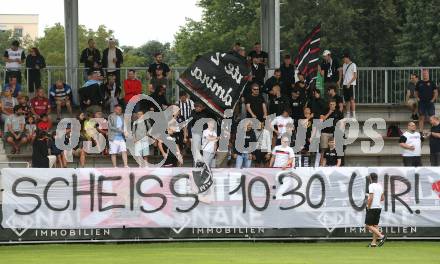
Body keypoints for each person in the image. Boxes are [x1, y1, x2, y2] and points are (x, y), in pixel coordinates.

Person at [365, 173, 387, 247]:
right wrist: (377, 200)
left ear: (371, 178)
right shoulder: (380, 186)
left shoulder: (371, 185)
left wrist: (368, 206)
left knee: (368, 225)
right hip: (378, 207)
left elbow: (370, 198)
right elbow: (383, 198)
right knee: (375, 225)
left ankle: (382, 236)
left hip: (372, 207)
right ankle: (373, 243)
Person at [342, 53, 357, 118]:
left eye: (344, 58)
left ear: (348, 58)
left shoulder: (353, 65)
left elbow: (355, 76)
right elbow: (344, 75)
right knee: (347, 100)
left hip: (351, 84)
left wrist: (349, 83)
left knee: (352, 99)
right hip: (345, 84)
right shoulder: (344, 65)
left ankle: (353, 114)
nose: (343, 59)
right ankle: (348, 114)